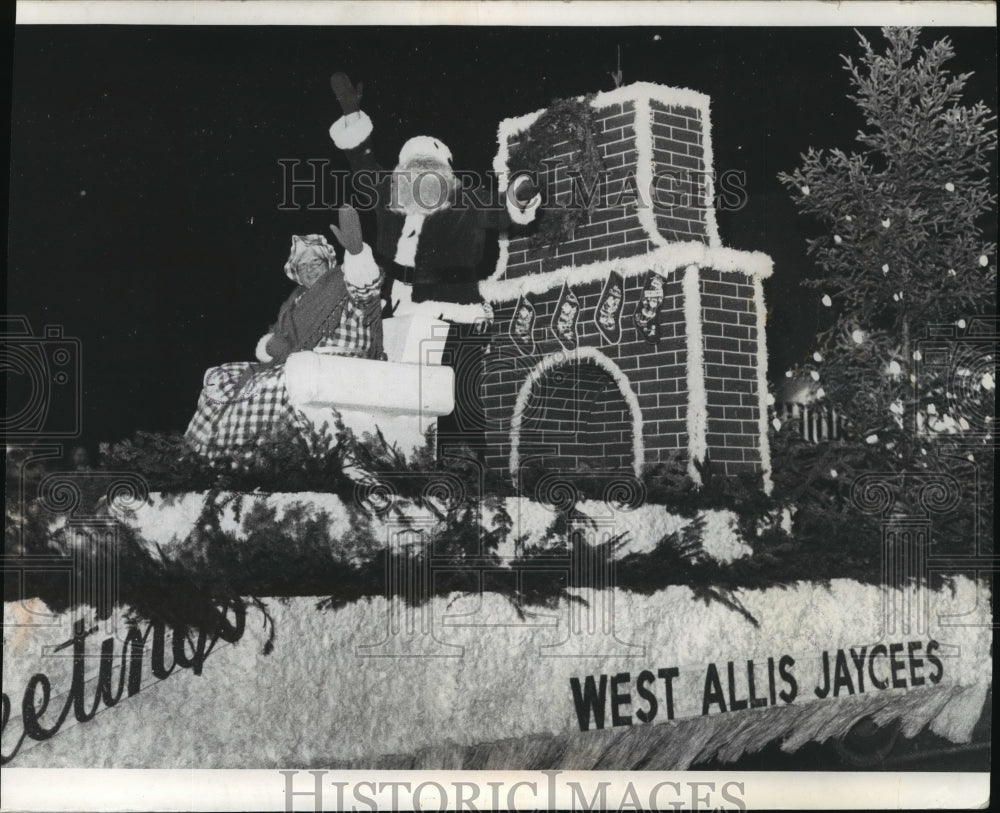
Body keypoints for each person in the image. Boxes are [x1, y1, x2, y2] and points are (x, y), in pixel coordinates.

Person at [184, 207, 384, 459]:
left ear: (329, 263)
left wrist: (357, 254)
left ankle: (253, 459)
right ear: (295, 273)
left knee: (269, 384)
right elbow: (280, 340)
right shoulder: (294, 302)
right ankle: (201, 455)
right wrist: (271, 346)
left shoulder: (345, 282)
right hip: (300, 365)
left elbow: (367, 289)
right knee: (223, 377)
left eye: (316, 261)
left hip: (340, 366)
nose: (310, 269)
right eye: (303, 265)